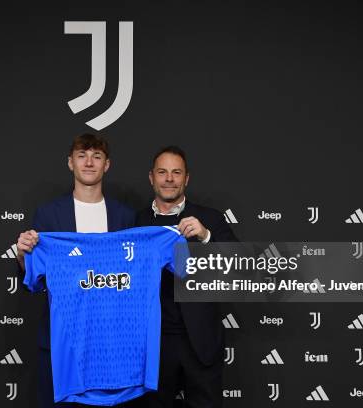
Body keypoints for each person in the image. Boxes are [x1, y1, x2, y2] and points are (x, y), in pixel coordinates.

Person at [16, 133, 135, 408]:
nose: (89, 163)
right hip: (63, 340)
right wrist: (23, 256)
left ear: (107, 165)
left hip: (110, 342)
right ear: (70, 163)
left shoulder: (125, 216)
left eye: (97, 157)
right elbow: (35, 278)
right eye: (82, 156)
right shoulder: (48, 214)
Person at [136, 146, 237, 408]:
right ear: (151, 177)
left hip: (200, 343)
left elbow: (239, 267)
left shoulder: (210, 219)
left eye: (176, 172)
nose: (169, 178)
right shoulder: (135, 222)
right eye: (162, 172)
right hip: (152, 345)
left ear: (186, 178)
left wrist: (205, 237)